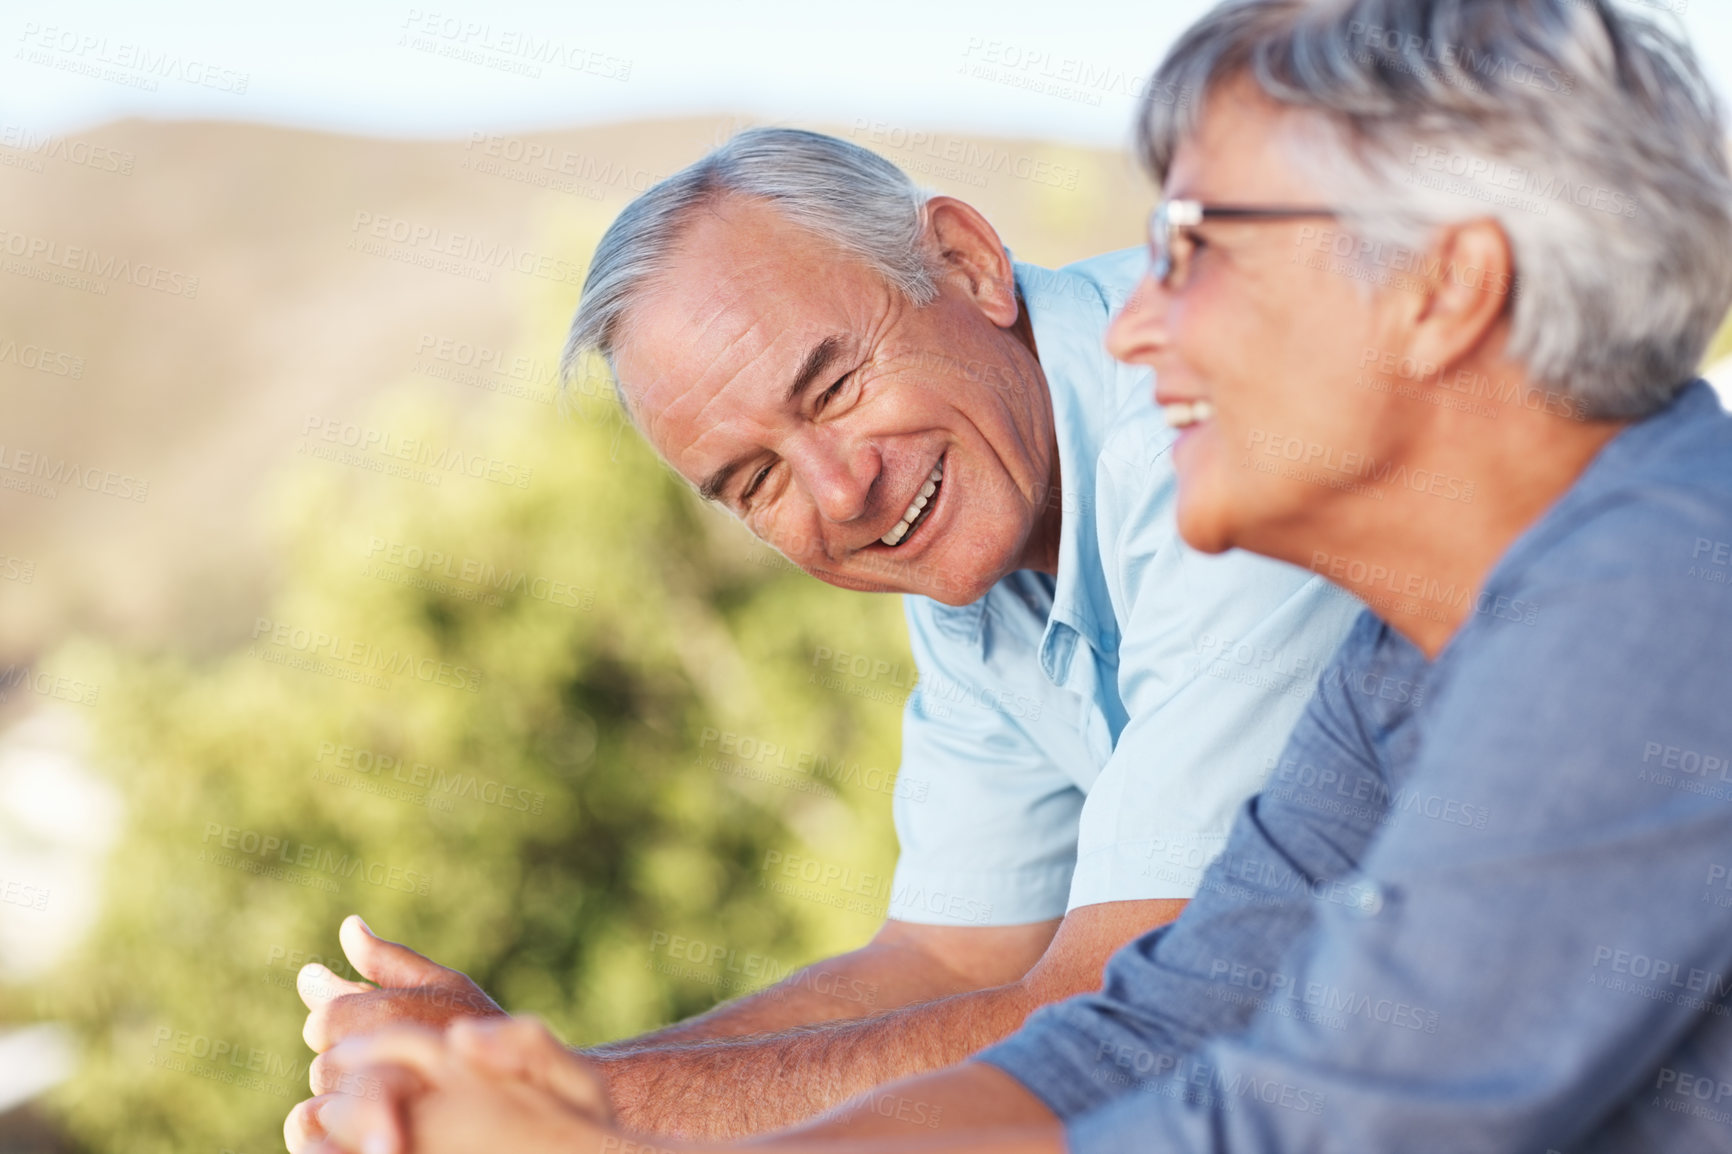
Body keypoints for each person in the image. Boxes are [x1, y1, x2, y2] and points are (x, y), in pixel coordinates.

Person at [289, 0, 1732, 1150]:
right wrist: (555, 1104)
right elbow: (1139, 1032)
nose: (1130, 323)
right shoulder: (1407, 654)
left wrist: (598, 1130)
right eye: (754, 479)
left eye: (1196, 251)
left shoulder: (1648, 609)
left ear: (1446, 284)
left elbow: (1291, 1118)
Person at [289, 127, 1363, 1137]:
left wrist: (580, 1110)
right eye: (756, 479)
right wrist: (529, 1074)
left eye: (838, 385)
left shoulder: (1195, 422)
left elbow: (1127, 1002)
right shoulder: (967, 537)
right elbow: (949, 959)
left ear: (967, 261)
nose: (841, 491)